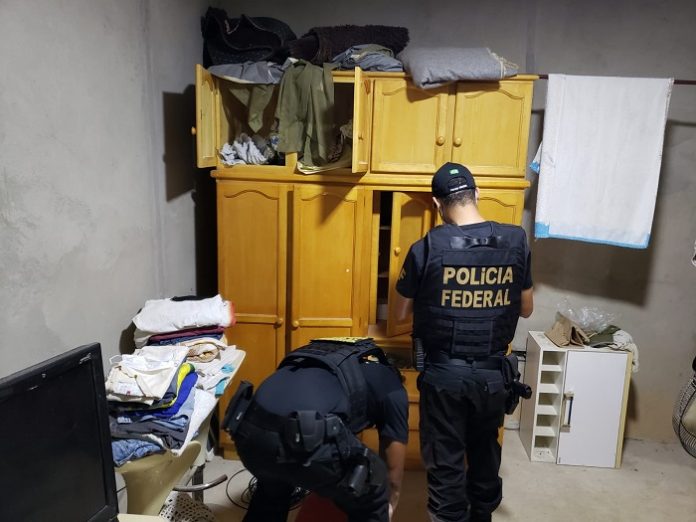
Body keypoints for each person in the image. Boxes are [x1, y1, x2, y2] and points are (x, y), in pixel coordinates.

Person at [396, 162, 534, 522]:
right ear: (477, 194)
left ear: (436, 203)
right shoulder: (516, 240)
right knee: (485, 452)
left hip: (444, 377)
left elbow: (400, 313)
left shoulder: (427, 246)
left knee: (445, 461)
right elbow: (527, 308)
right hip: (493, 377)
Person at [222, 337, 408, 522]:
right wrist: (387, 506)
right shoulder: (395, 391)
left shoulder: (336, 359)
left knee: (273, 487)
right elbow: (393, 475)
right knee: (373, 484)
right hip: (301, 435)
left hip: (247, 427)